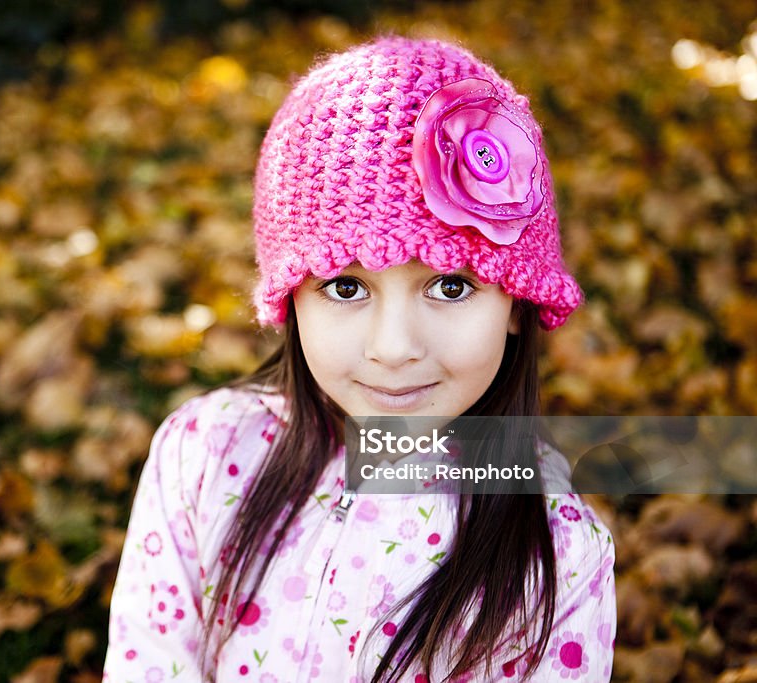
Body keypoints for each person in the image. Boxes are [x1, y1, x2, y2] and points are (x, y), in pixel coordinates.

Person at [102, 37, 616, 682]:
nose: (394, 347)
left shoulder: (557, 558)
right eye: (346, 287)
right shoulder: (204, 459)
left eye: (450, 285)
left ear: (515, 303)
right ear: (294, 299)